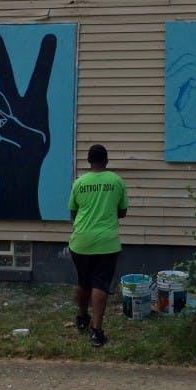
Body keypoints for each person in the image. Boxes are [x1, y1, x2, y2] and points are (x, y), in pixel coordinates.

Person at [68, 144, 128, 347]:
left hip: (81, 241)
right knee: (100, 285)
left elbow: (73, 213)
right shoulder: (116, 181)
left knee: (83, 283)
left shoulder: (79, 183)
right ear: (107, 160)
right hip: (107, 242)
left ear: (88, 160)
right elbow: (122, 212)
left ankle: (82, 318)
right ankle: (96, 332)